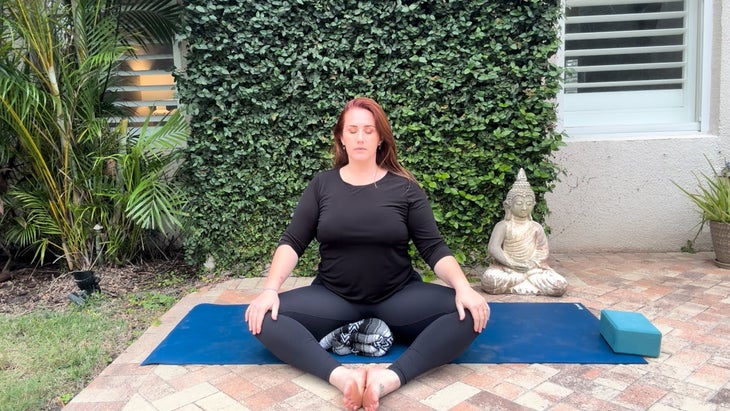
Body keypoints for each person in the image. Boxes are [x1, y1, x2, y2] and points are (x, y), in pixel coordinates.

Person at [245, 97, 490, 410]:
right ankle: (341, 378)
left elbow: (433, 247)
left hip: (399, 298)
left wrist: (464, 288)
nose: (360, 137)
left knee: (471, 314)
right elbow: (293, 241)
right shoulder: (322, 185)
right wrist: (269, 291)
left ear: (380, 139)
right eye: (353, 130)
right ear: (342, 138)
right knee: (262, 317)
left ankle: (388, 380)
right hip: (334, 299)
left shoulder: (405, 189)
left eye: (368, 131)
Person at [480, 168, 568, 297]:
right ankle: (524, 280)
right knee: (489, 281)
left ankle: (522, 280)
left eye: (528, 203)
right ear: (508, 205)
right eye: (519, 203)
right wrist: (510, 263)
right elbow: (493, 248)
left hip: (533, 269)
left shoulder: (536, 227)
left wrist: (532, 264)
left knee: (559, 285)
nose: (524, 208)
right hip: (508, 268)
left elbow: (542, 250)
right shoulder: (503, 226)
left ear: (533, 205)